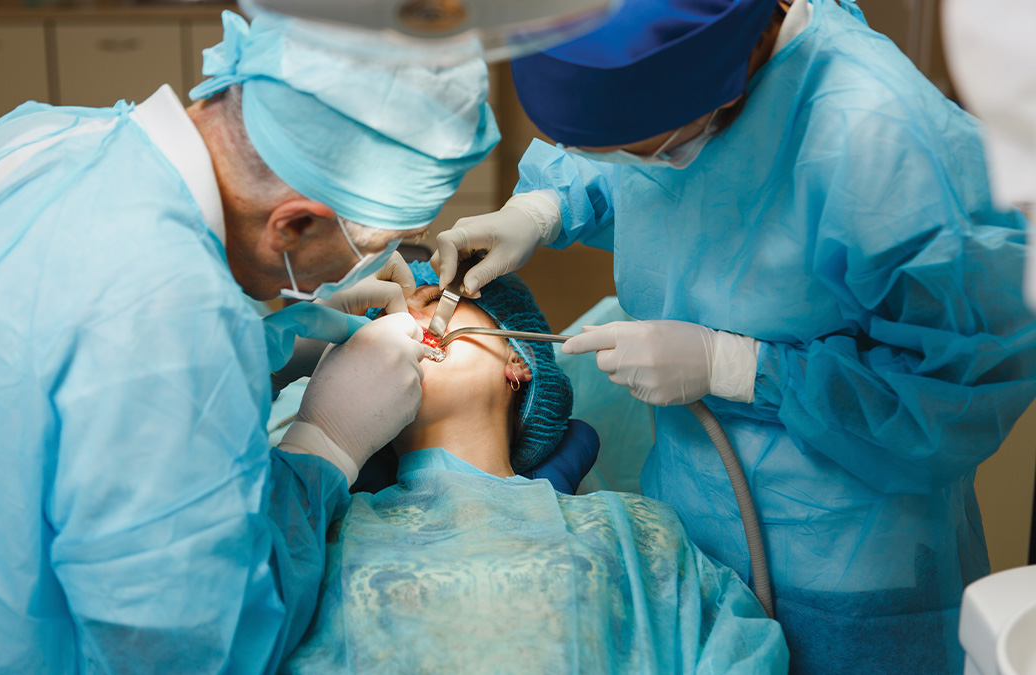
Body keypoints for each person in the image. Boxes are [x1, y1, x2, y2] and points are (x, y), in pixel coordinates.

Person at [0, 10, 498, 674]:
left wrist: (268, 347)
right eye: (368, 249)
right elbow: (184, 651)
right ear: (291, 225)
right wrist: (325, 443)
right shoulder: (169, 315)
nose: (359, 270)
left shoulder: (43, 135)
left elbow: (27, 367)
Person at [429, 0, 1036, 672]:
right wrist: (541, 207)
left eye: (633, 141)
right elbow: (627, 146)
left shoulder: (880, 143)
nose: (619, 158)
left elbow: (953, 394)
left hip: (846, 563)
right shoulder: (670, 98)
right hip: (688, 516)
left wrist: (738, 368)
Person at [282, 263, 789, 673]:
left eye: (438, 301)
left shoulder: (630, 531)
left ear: (518, 362)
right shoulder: (314, 523)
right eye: (382, 323)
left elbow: (742, 650)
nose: (408, 323)